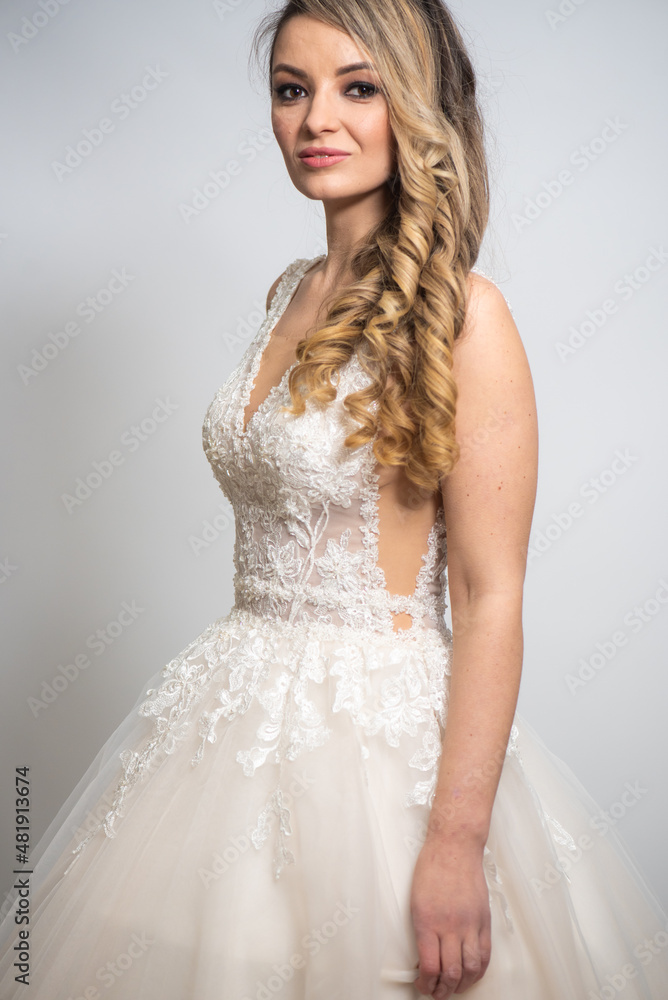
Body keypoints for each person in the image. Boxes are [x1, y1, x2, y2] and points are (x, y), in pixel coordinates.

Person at [1, 1, 667, 997]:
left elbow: (490, 597)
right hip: (226, 714)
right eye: (291, 89)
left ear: (414, 106)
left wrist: (455, 842)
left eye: (357, 87)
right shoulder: (288, 290)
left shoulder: (467, 317)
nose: (316, 119)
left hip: (375, 746)